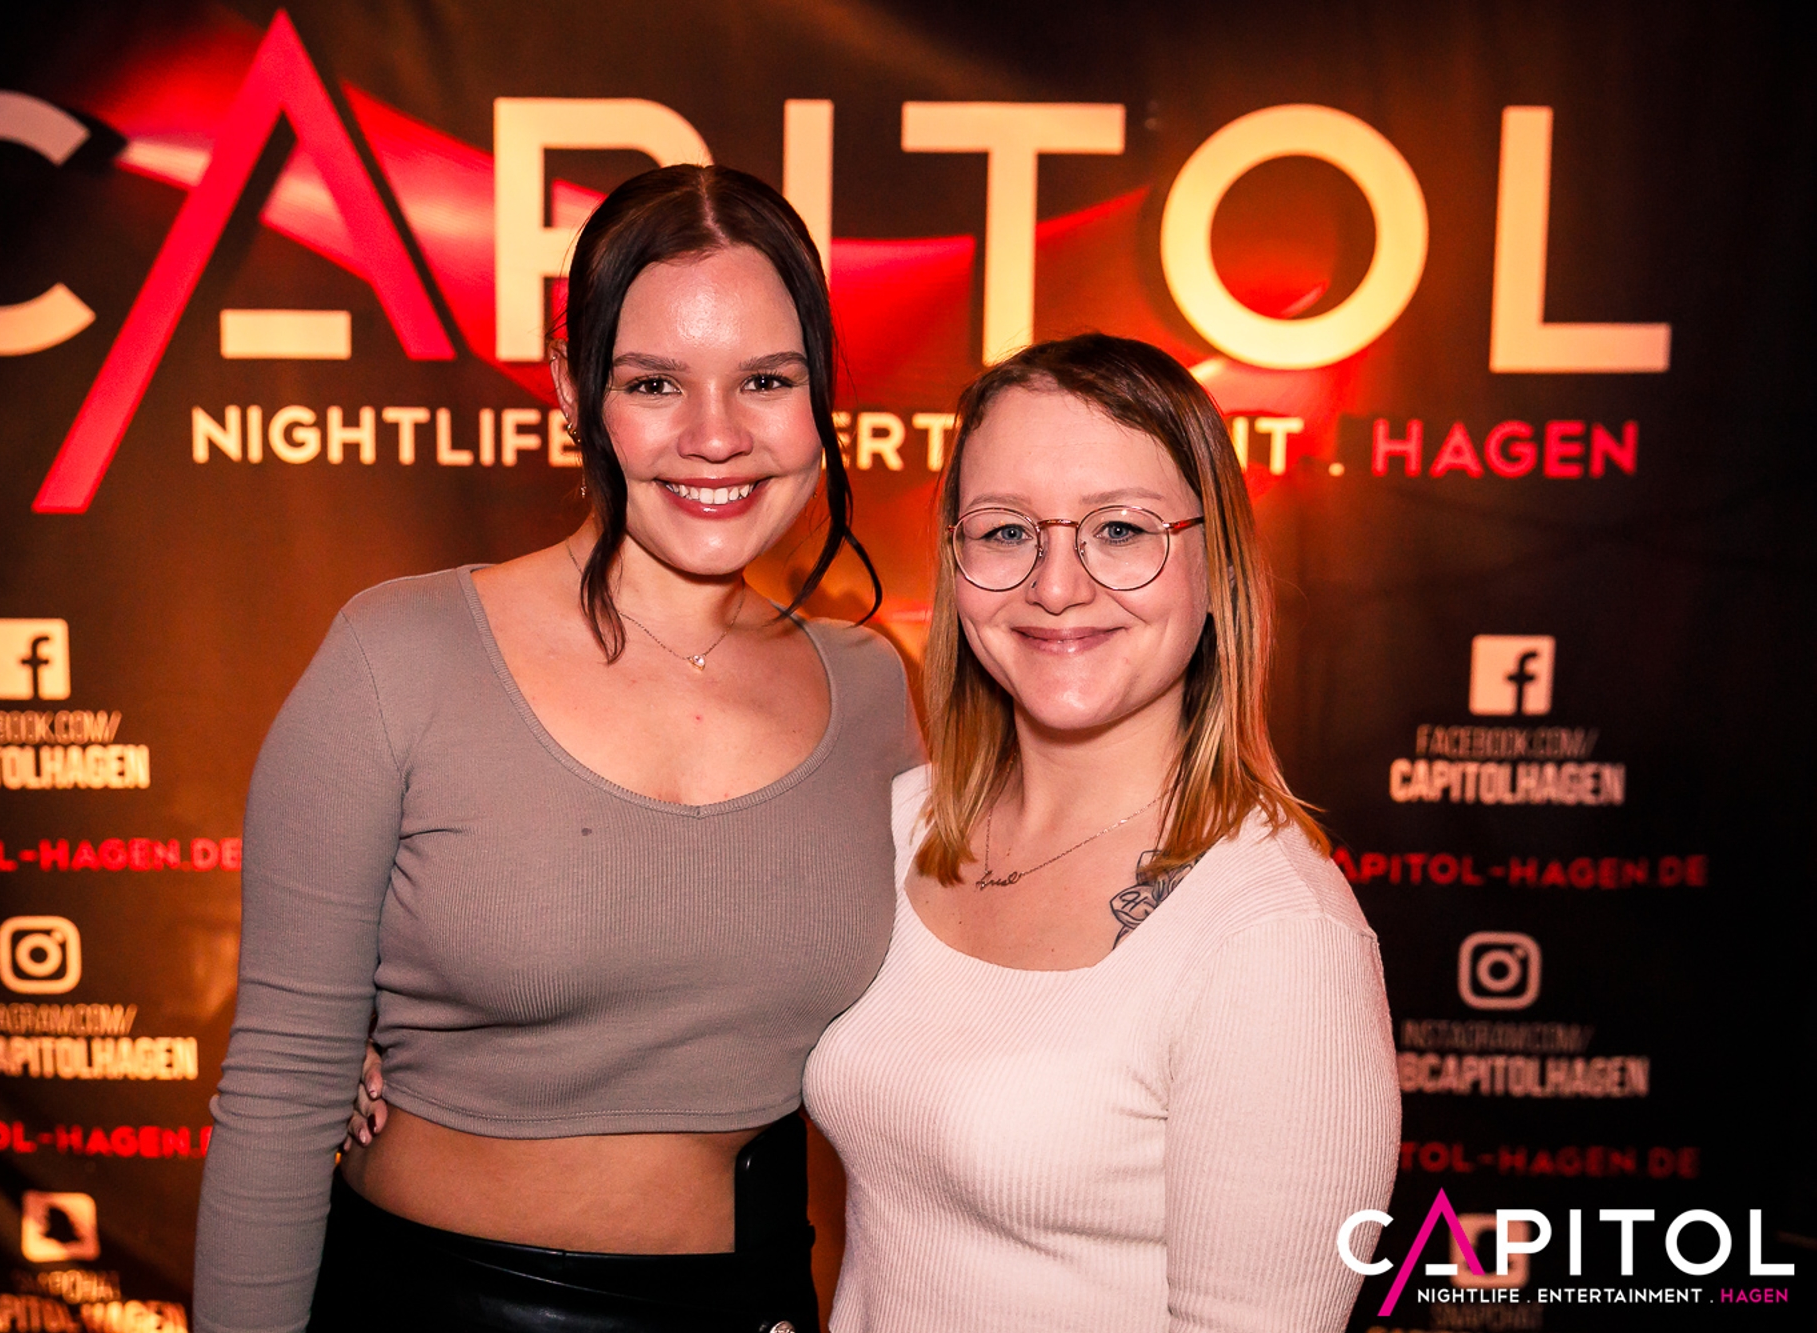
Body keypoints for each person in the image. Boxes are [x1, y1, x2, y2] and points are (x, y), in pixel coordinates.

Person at [192, 164, 919, 1333]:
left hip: (758, 1304)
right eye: (653, 383)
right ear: (572, 388)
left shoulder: (878, 691)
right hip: (435, 1308)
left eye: (766, 380)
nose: (716, 436)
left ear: (818, 391)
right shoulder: (400, 654)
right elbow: (281, 1092)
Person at [800, 333, 1401, 1331]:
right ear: (953, 560)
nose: (1056, 585)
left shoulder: (1275, 935)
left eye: (1119, 529)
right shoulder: (901, 824)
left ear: (1214, 562)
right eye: (1005, 531)